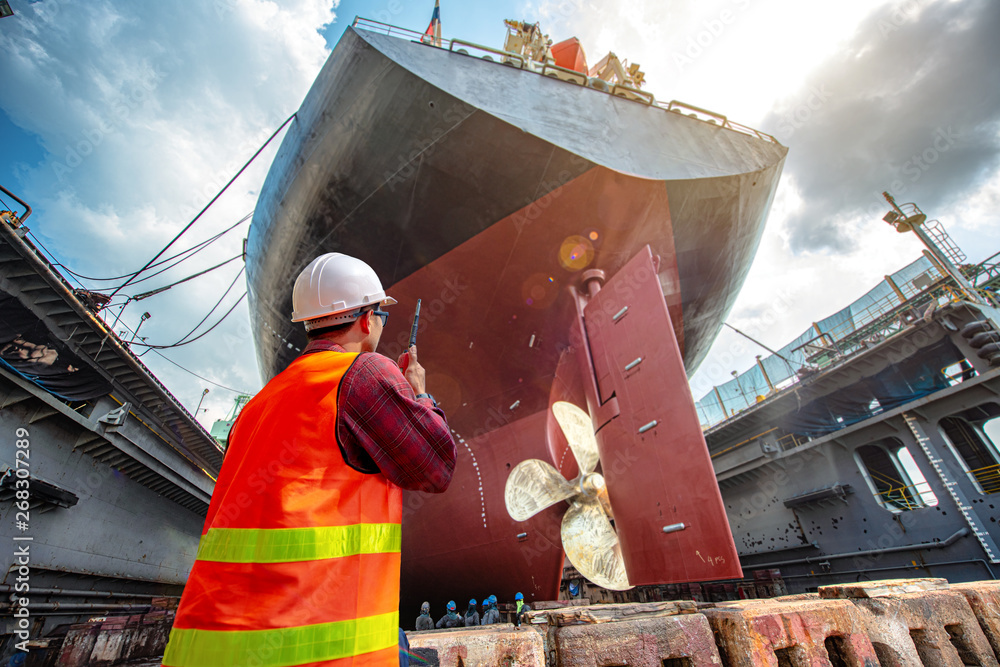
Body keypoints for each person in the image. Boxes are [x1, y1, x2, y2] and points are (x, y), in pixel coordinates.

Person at [162, 253, 457, 666]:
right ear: (367, 319)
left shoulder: (259, 404)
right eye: (380, 317)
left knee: (402, 641)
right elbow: (435, 466)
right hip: (313, 650)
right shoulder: (366, 372)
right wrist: (420, 394)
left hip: (204, 648)